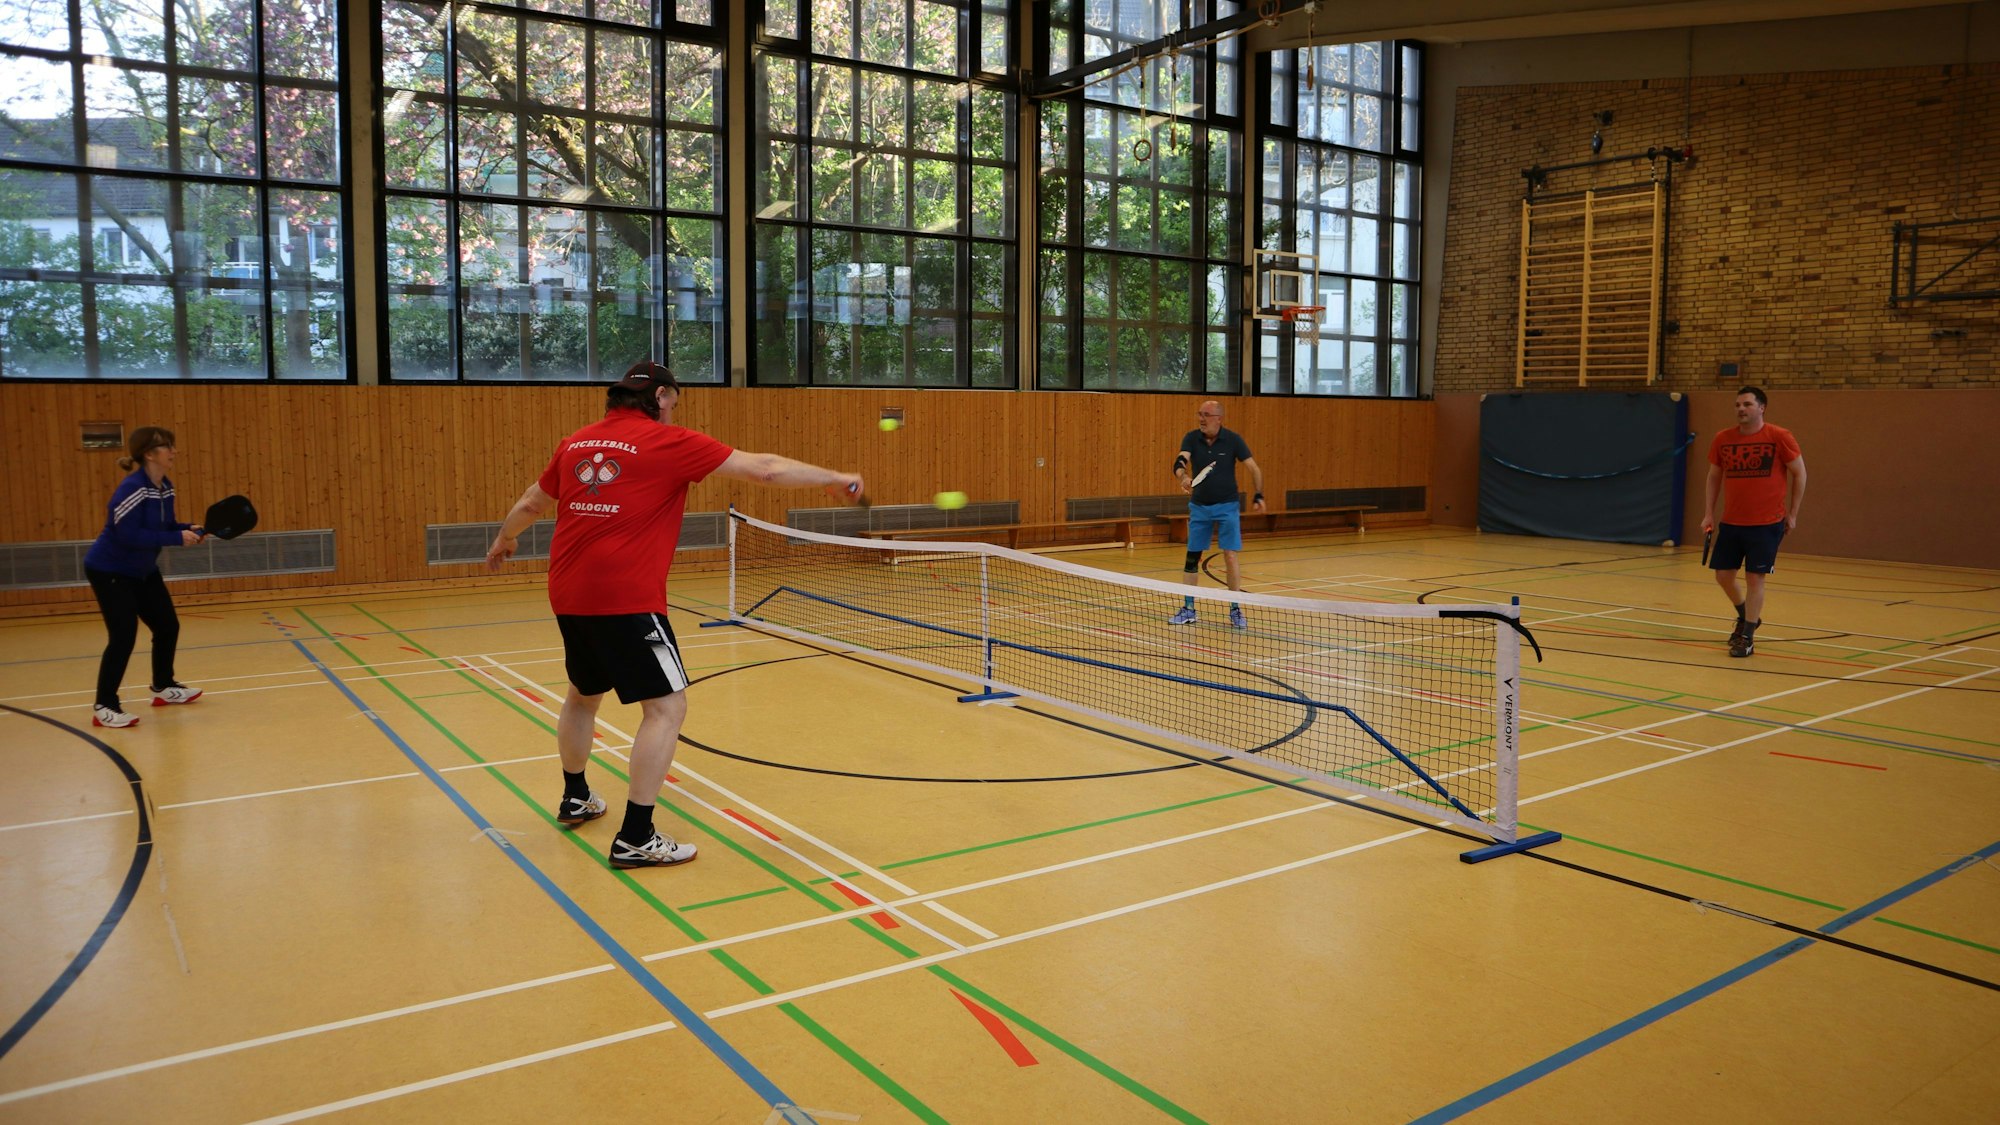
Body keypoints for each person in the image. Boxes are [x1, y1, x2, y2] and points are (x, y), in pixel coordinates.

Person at [486, 361, 863, 870]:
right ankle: (636, 836)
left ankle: (576, 796)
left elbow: (533, 503)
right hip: (626, 595)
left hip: (569, 591)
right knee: (666, 709)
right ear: (661, 396)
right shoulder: (667, 441)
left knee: (583, 694)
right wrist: (834, 478)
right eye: (674, 403)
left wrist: (505, 538)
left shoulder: (575, 444)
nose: (673, 413)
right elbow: (766, 468)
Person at [83, 426, 207, 728]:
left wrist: (186, 528)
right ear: (149, 454)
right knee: (123, 636)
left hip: (143, 570)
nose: (173, 451)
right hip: (110, 570)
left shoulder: (165, 487)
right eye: (167, 446)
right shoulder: (133, 488)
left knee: (167, 625)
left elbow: (164, 526)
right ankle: (104, 705)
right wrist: (176, 538)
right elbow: (126, 534)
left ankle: (163, 686)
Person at [1700, 386, 1807, 658]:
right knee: (1723, 575)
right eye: (1737, 405)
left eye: (1747, 404)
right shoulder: (1723, 439)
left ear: (1762, 408)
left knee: (1754, 578)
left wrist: (1793, 513)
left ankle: (1747, 637)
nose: (1741, 409)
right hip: (1732, 521)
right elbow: (1714, 476)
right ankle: (1746, 615)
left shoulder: (1779, 436)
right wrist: (1709, 513)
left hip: (1767, 523)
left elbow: (1800, 473)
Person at [1169, 399, 1264, 629]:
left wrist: (1258, 495)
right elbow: (1180, 461)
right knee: (1192, 557)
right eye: (1199, 414)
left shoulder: (1233, 440)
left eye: (1206, 415)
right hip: (1200, 506)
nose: (1201, 419)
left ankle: (1235, 610)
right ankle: (1188, 609)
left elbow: (1253, 468)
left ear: (1218, 419)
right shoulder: (1192, 438)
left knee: (1230, 555)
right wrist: (1183, 476)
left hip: (1227, 506)